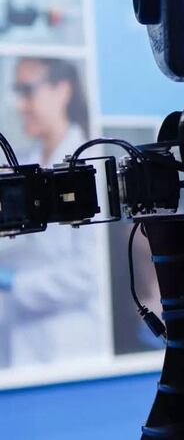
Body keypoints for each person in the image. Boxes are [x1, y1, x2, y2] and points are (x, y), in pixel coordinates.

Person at [0, 57, 104, 367]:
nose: (20, 104)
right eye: (17, 93)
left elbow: (88, 273)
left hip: (69, 344)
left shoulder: (89, 164)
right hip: (20, 341)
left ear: (62, 90)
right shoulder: (25, 162)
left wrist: (14, 283)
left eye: (27, 91)